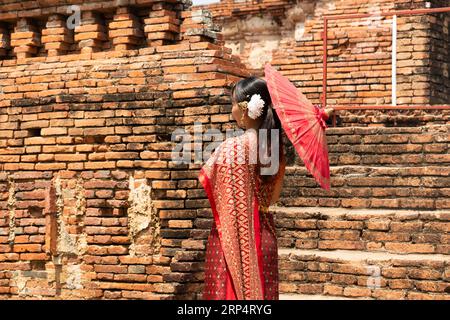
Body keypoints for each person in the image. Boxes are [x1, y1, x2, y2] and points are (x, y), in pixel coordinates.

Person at [198, 77, 286, 300]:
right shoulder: (275, 149)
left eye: (233, 104)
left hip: (231, 241)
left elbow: (208, 180)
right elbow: (272, 199)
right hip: (265, 234)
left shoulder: (232, 148)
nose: (232, 110)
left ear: (245, 108)